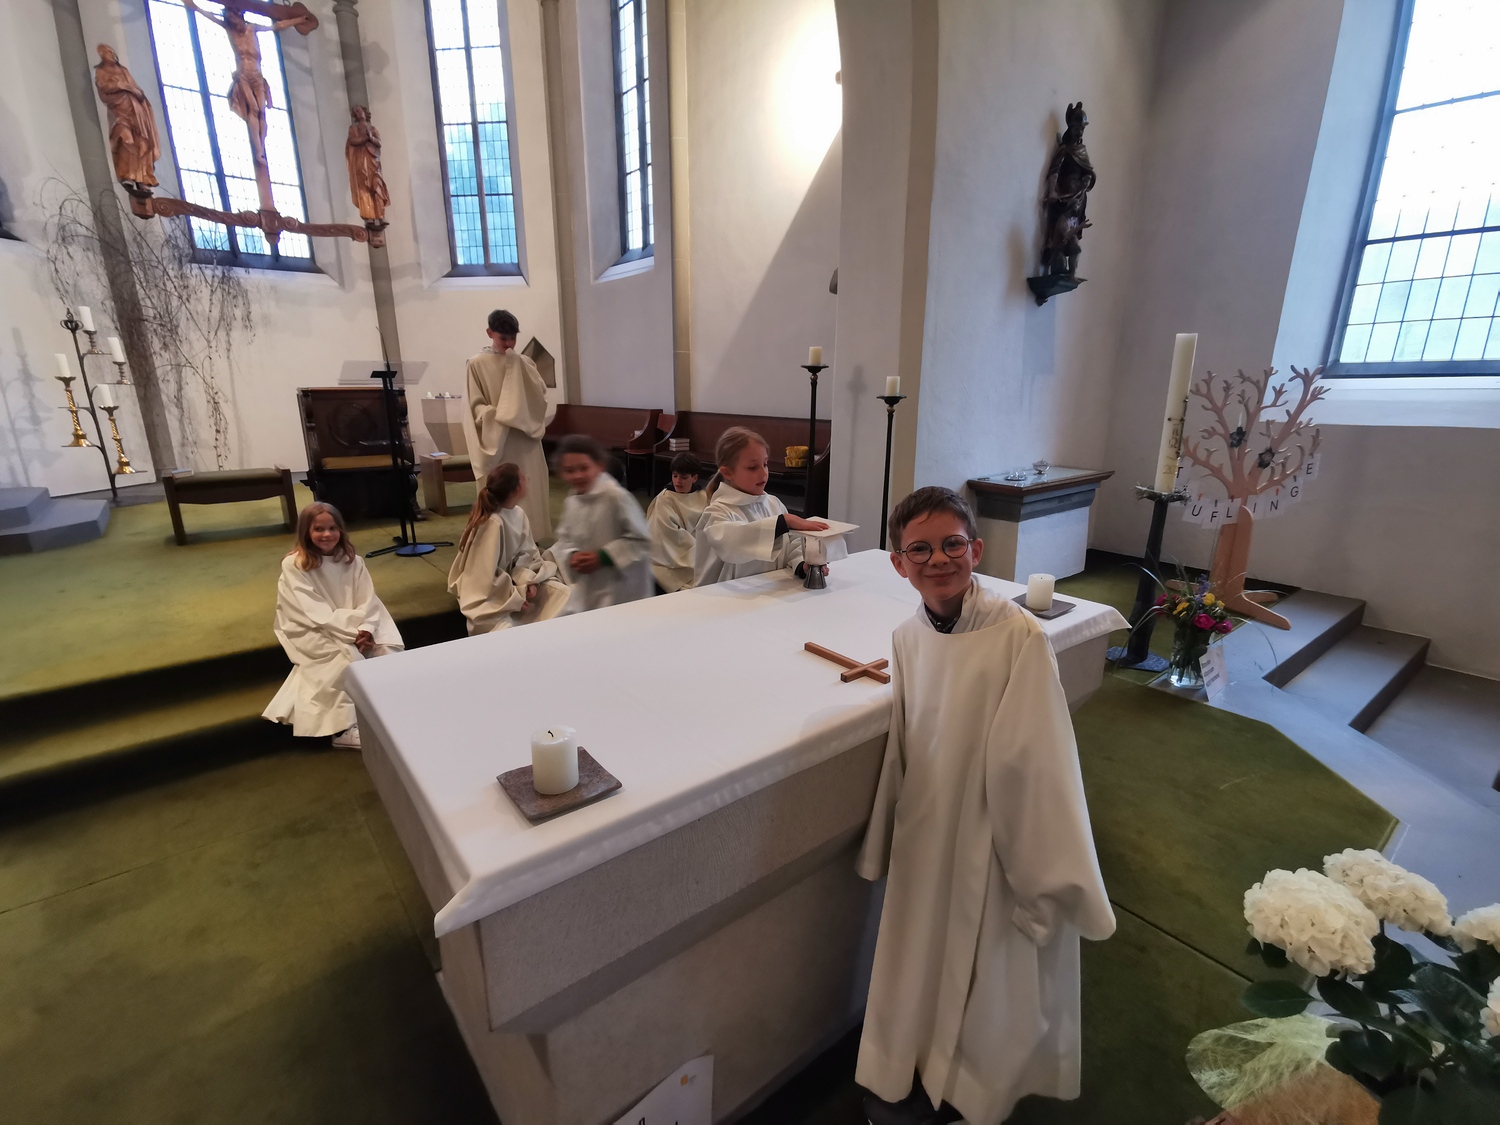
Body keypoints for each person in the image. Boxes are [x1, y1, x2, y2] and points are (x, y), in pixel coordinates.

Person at [856, 486, 1115, 1125]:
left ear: (976, 549)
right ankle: (906, 1062)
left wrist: (1042, 879)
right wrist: (888, 834)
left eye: (952, 544)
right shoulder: (907, 635)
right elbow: (904, 742)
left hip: (991, 834)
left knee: (987, 967)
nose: (938, 559)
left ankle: (969, 1090)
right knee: (919, 954)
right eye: (920, 549)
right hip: (927, 830)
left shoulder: (1017, 636)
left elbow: (1036, 762)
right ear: (898, 563)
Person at [263, 502, 403, 749]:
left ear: (341, 530)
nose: (326, 534)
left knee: (386, 651)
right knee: (347, 660)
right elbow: (314, 612)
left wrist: (368, 629)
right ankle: (344, 730)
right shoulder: (295, 565)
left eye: (332, 528)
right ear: (306, 532)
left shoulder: (353, 561)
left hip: (356, 625)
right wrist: (354, 634)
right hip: (311, 628)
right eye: (318, 529)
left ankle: (386, 715)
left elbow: (368, 600)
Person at [692, 427, 829, 586]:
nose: (763, 473)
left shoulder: (773, 503)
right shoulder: (716, 512)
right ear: (728, 473)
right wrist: (782, 523)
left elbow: (792, 544)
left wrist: (802, 564)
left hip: (769, 590)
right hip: (724, 596)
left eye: (765, 464)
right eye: (753, 467)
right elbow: (732, 543)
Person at [447, 463, 569, 635]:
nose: (527, 480)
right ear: (518, 488)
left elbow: (527, 553)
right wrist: (514, 596)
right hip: (494, 592)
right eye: (524, 478)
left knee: (562, 595)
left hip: (513, 582)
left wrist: (528, 581)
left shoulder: (518, 513)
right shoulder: (492, 523)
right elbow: (482, 575)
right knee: (506, 629)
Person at [467, 309, 552, 539]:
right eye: (503, 338)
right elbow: (475, 406)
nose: (509, 344)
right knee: (502, 490)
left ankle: (531, 540)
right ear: (489, 333)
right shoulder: (476, 364)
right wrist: (502, 415)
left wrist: (521, 412)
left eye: (513, 338)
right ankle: (500, 541)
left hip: (525, 439)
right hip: (499, 440)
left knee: (529, 490)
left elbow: (539, 398)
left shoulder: (525, 363)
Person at [551, 435, 652, 610]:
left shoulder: (616, 497)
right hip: (590, 585)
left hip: (621, 589)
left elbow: (642, 540)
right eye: (569, 470)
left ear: (599, 466)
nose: (577, 475)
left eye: (584, 468)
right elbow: (564, 539)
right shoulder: (572, 501)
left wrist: (603, 557)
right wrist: (572, 555)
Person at [646, 452, 708, 593]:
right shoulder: (664, 500)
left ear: (694, 478)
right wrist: (699, 551)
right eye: (675, 476)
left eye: (684, 477)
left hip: (698, 552)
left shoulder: (703, 497)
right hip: (670, 559)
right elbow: (666, 535)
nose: (678, 481)